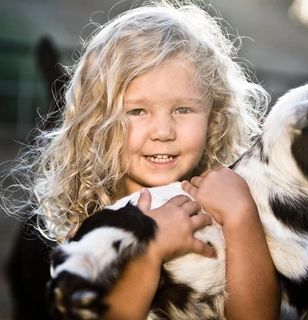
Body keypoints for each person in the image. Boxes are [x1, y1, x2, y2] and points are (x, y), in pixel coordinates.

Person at [5, 1, 280, 319]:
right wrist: (148, 255)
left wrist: (242, 218)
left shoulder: (220, 212)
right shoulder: (90, 237)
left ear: (214, 117)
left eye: (183, 109)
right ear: (98, 123)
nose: (163, 131)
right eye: (137, 111)